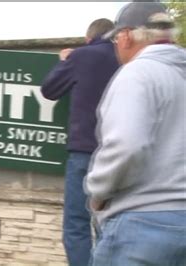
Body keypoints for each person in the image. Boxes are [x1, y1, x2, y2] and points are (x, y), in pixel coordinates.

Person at [85, 2, 186, 265]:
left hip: (141, 225)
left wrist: (98, 193)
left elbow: (127, 146)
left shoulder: (137, 74)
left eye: (116, 38)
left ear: (127, 35)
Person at [40, 18, 119, 266]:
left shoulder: (81, 56)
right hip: (121, 153)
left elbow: (49, 89)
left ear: (88, 38)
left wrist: (65, 62)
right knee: (111, 221)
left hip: (84, 152)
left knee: (77, 223)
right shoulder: (130, 59)